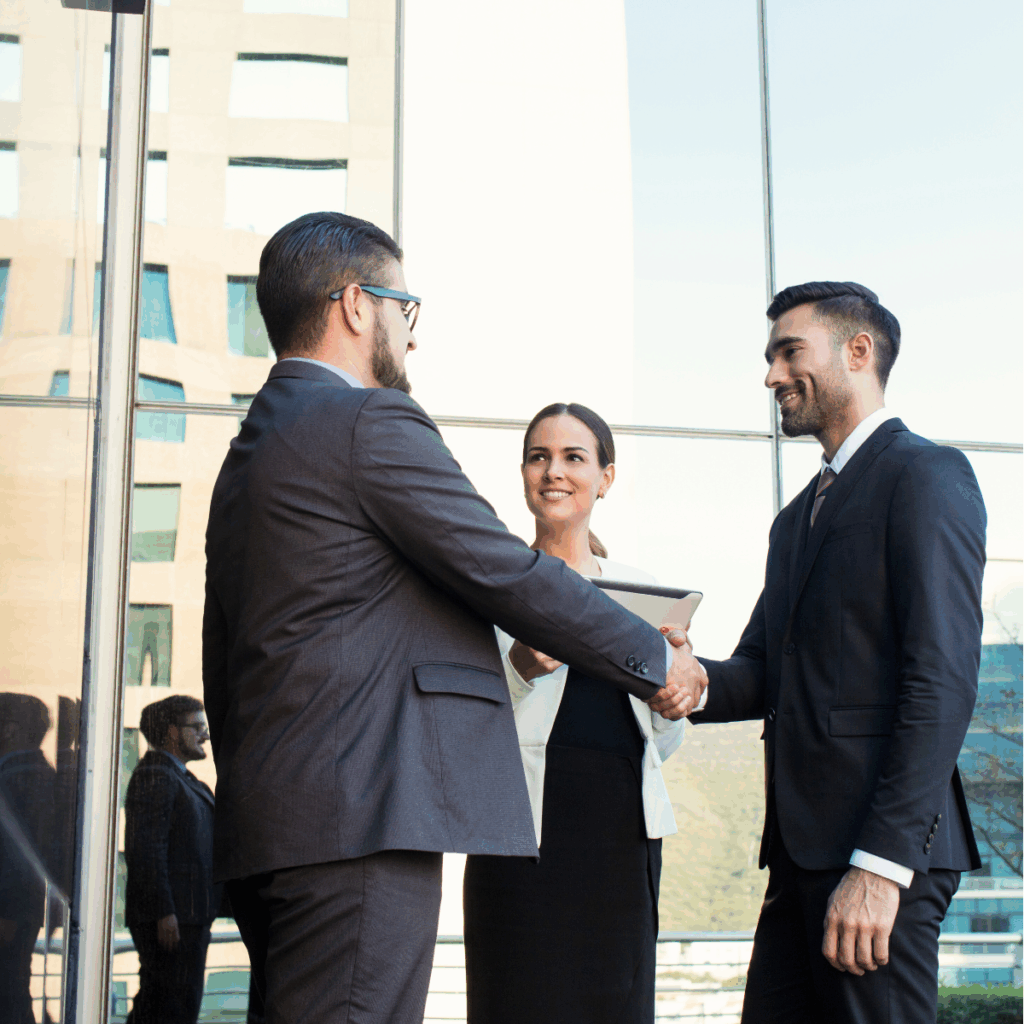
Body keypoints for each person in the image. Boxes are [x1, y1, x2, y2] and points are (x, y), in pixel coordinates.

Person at [202, 211, 707, 1024]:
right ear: (357, 306)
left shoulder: (251, 451)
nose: (412, 337)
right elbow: (506, 572)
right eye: (408, 310)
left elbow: (223, 657)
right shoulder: (367, 421)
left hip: (278, 826)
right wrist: (657, 656)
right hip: (361, 822)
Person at [680, 281, 985, 1024]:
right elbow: (758, 674)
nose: (771, 374)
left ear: (859, 351)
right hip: (798, 858)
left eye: (789, 352)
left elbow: (940, 680)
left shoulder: (925, 475)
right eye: (769, 356)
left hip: (876, 857)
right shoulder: (795, 520)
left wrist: (881, 868)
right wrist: (678, 675)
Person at [463, 403, 693, 1024]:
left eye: (573, 457)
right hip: (519, 839)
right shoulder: (486, 585)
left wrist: (672, 703)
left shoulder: (643, 592)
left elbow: (659, 744)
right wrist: (517, 669)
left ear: (605, 478)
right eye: (539, 457)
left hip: (622, 843)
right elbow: (459, 731)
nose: (553, 471)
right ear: (523, 473)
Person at [125, 695, 222, 1024]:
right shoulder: (157, 776)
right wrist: (163, 912)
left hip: (187, 917)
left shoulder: (179, 778)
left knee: (169, 1006)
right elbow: (147, 849)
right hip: (174, 921)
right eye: (197, 727)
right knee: (169, 1009)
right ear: (171, 732)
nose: (205, 735)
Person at [0, 693, 56, 1024]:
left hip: (8, 916)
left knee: (9, 998)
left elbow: (27, 855)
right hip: (15, 913)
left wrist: (9, 915)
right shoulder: (26, 773)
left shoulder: (22, 775)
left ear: (8, 730)